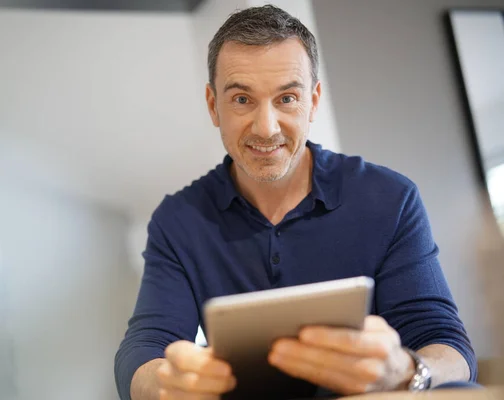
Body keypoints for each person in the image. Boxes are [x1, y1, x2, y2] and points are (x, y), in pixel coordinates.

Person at [114, 5, 477, 400]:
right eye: (241, 99)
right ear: (213, 104)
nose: (266, 128)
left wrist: (408, 372)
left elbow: (448, 345)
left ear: (313, 101)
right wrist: (167, 382)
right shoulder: (177, 220)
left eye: (287, 97)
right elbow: (144, 349)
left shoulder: (391, 199)